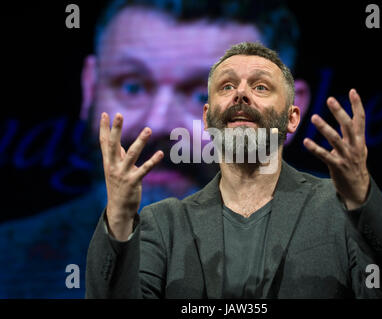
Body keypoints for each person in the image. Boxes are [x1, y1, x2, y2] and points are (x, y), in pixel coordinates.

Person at [0, 0, 310, 298]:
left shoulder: (346, 251)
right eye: (131, 86)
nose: (159, 123)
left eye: (204, 95)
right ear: (90, 87)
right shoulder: (9, 266)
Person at [86, 42, 382, 298]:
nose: (241, 94)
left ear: (293, 117)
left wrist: (362, 198)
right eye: (227, 86)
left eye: (260, 87)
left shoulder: (340, 211)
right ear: (207, 117)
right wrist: (119, 217)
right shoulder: (164, 224)